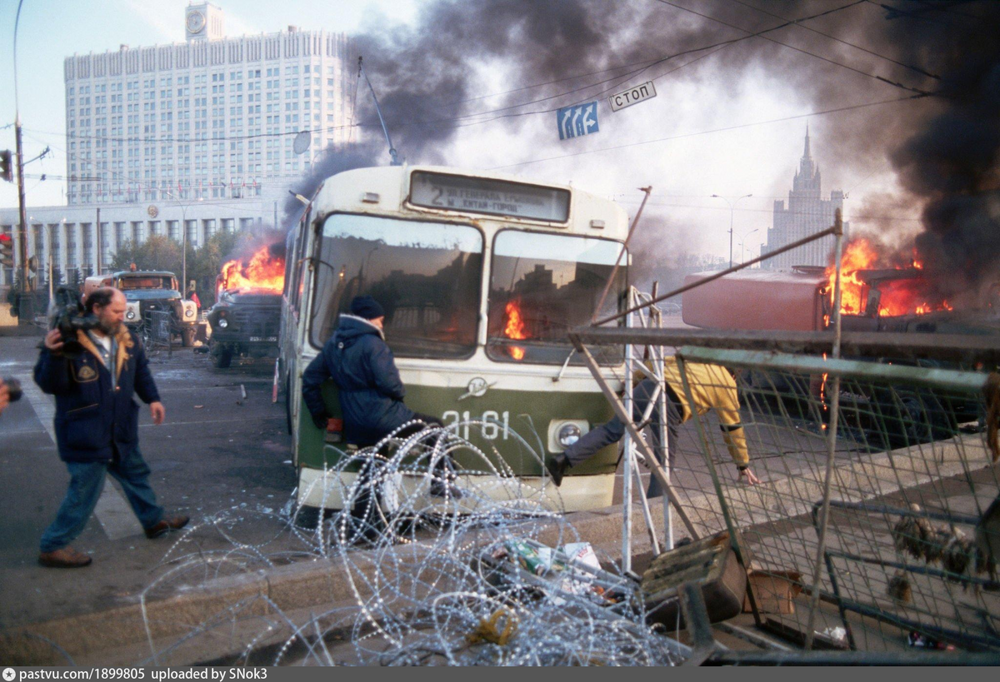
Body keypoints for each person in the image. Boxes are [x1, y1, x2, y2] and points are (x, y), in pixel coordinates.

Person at [33, 287, 189, 568]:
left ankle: (153, 522)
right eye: (116, 311)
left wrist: (153, 399)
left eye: (123, 310)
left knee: (136, 475)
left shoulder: (127, 339)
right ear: (96, 309)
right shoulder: (70, 338)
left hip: (120, 430)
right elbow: (50, 384)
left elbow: (140, 371)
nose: (122, 316)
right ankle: (53, 545)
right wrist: (53, 353)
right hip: (85, 432)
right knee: (84, 492)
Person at [302, 295, 456, 495]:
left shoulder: (333, 344)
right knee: (434, 428)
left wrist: (318, 412)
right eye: (380, 320)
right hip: (383, 416)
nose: (382, 325)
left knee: (371, 473)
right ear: (369, 318)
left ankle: (362, 521)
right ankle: (443, 484)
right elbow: (389, 382)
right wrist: (399, 397)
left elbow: (310, 379)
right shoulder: (373, 344)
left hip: (355, 420)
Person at [548, 357, 759, 493]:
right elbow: (733, 430)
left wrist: (631, 382)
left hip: (647, 388)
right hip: (670, 406)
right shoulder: (728, 387)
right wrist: (743, 464)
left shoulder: (697, 360)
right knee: (662, 464)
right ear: (736, 373)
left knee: (612, 430)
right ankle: (653, 510)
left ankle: (564, 460)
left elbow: (653, 364)